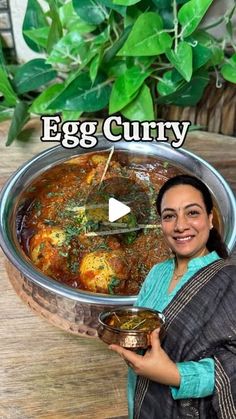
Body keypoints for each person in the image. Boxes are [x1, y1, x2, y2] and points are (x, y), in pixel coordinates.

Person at [109, 174, 236, 419]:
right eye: (169, 216)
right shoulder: (158, 272)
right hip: (140, 402)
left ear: (210, 219)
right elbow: (138, 331)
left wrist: (173, 375)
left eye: (192, 213)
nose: (180, 226)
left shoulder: (229, 280)